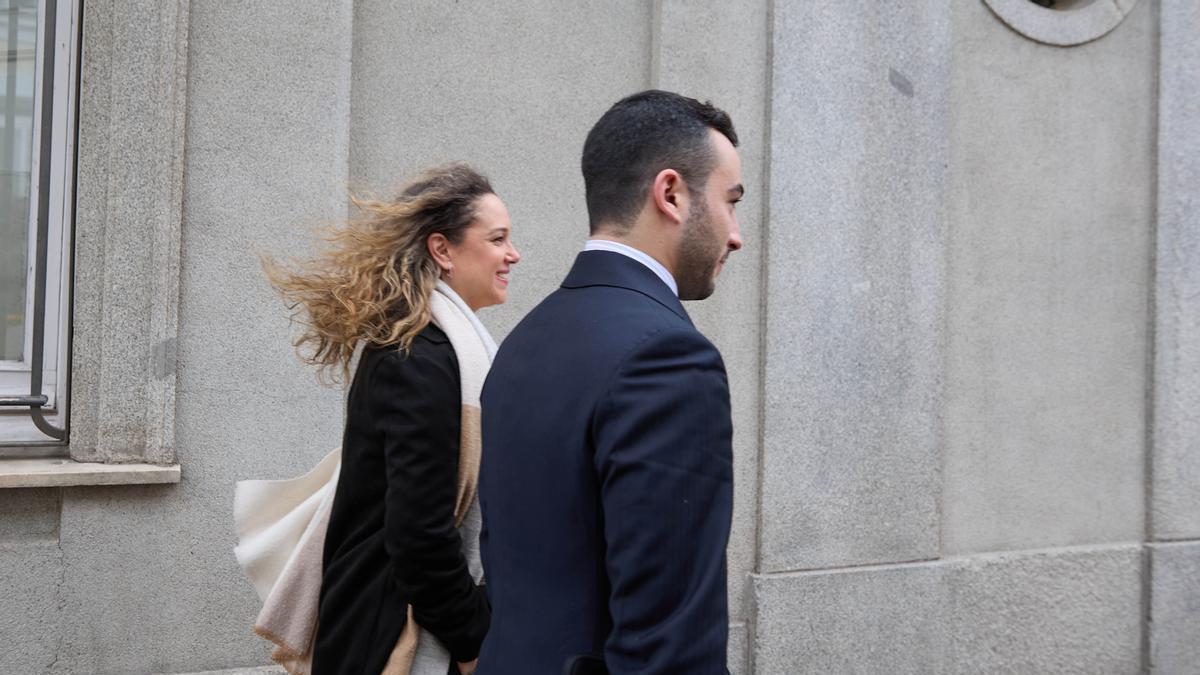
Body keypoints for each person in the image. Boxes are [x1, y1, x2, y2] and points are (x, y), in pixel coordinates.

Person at [477, 90, 743, 674]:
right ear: (670, 194)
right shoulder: (670, 359)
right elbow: (669, 648)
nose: (736, 234)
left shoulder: (524, 340)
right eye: (731, 201)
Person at [265, 164, 520, 675]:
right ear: (442, 250)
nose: (513, 254)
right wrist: (473, 643)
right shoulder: (417, 358)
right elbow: (419, 535)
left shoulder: (441, 349)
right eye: (497, 239)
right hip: (389, 636)